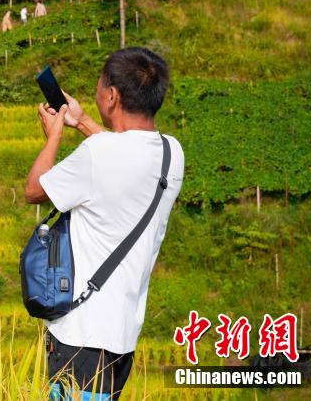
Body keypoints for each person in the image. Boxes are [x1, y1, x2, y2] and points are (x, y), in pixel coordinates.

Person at [24, 47, 184, 400]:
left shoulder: (98, 155)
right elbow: (121, 150)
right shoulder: (172, 154)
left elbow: (35, 190)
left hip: (79, 336)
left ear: (111, 96)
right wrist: (79, 119)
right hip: (122, 338)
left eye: (100, 88)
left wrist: (54, 134)